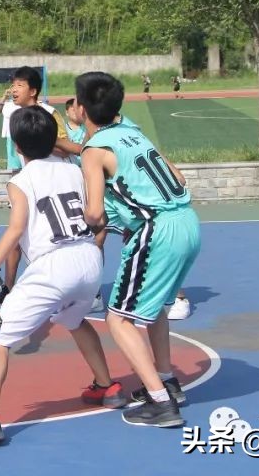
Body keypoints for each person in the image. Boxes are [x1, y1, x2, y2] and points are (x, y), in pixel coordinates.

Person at [0, 106, 127, 445]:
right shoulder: (74, 170)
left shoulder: (20, 180)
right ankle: (108, 386)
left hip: (53, 265)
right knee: (75, 320)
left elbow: (15, 231)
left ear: (16, 145)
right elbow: (96, 213)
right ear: (54, 140)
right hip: (89, 260)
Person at [78, 72, 200, 428]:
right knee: (156, 306)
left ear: (82, 109)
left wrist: (80, 222)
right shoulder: (134, 134)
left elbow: (96, 212)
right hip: (187, 222)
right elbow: (177, 176)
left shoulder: (95, 149)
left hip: (157, 229)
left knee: (118, 318)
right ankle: (166, 381)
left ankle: (160, 403)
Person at [0, 68, 79, 311]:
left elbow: (66, 147)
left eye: (19, 85)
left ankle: (72, 289)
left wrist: (42, 141)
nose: (14, 90)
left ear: (33, 90)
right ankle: (8, 290)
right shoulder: (12, 112)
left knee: (56, 235)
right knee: (16, 237)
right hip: (22, 179)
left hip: (49, 180)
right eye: (13, 85)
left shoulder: (48, 113)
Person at [0, 87, 22, 173]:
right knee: (13, 162)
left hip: (21, 133)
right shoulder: (7, 102)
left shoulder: (21, 102)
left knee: (22, 159)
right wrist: (4, 97)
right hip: (10, 135)